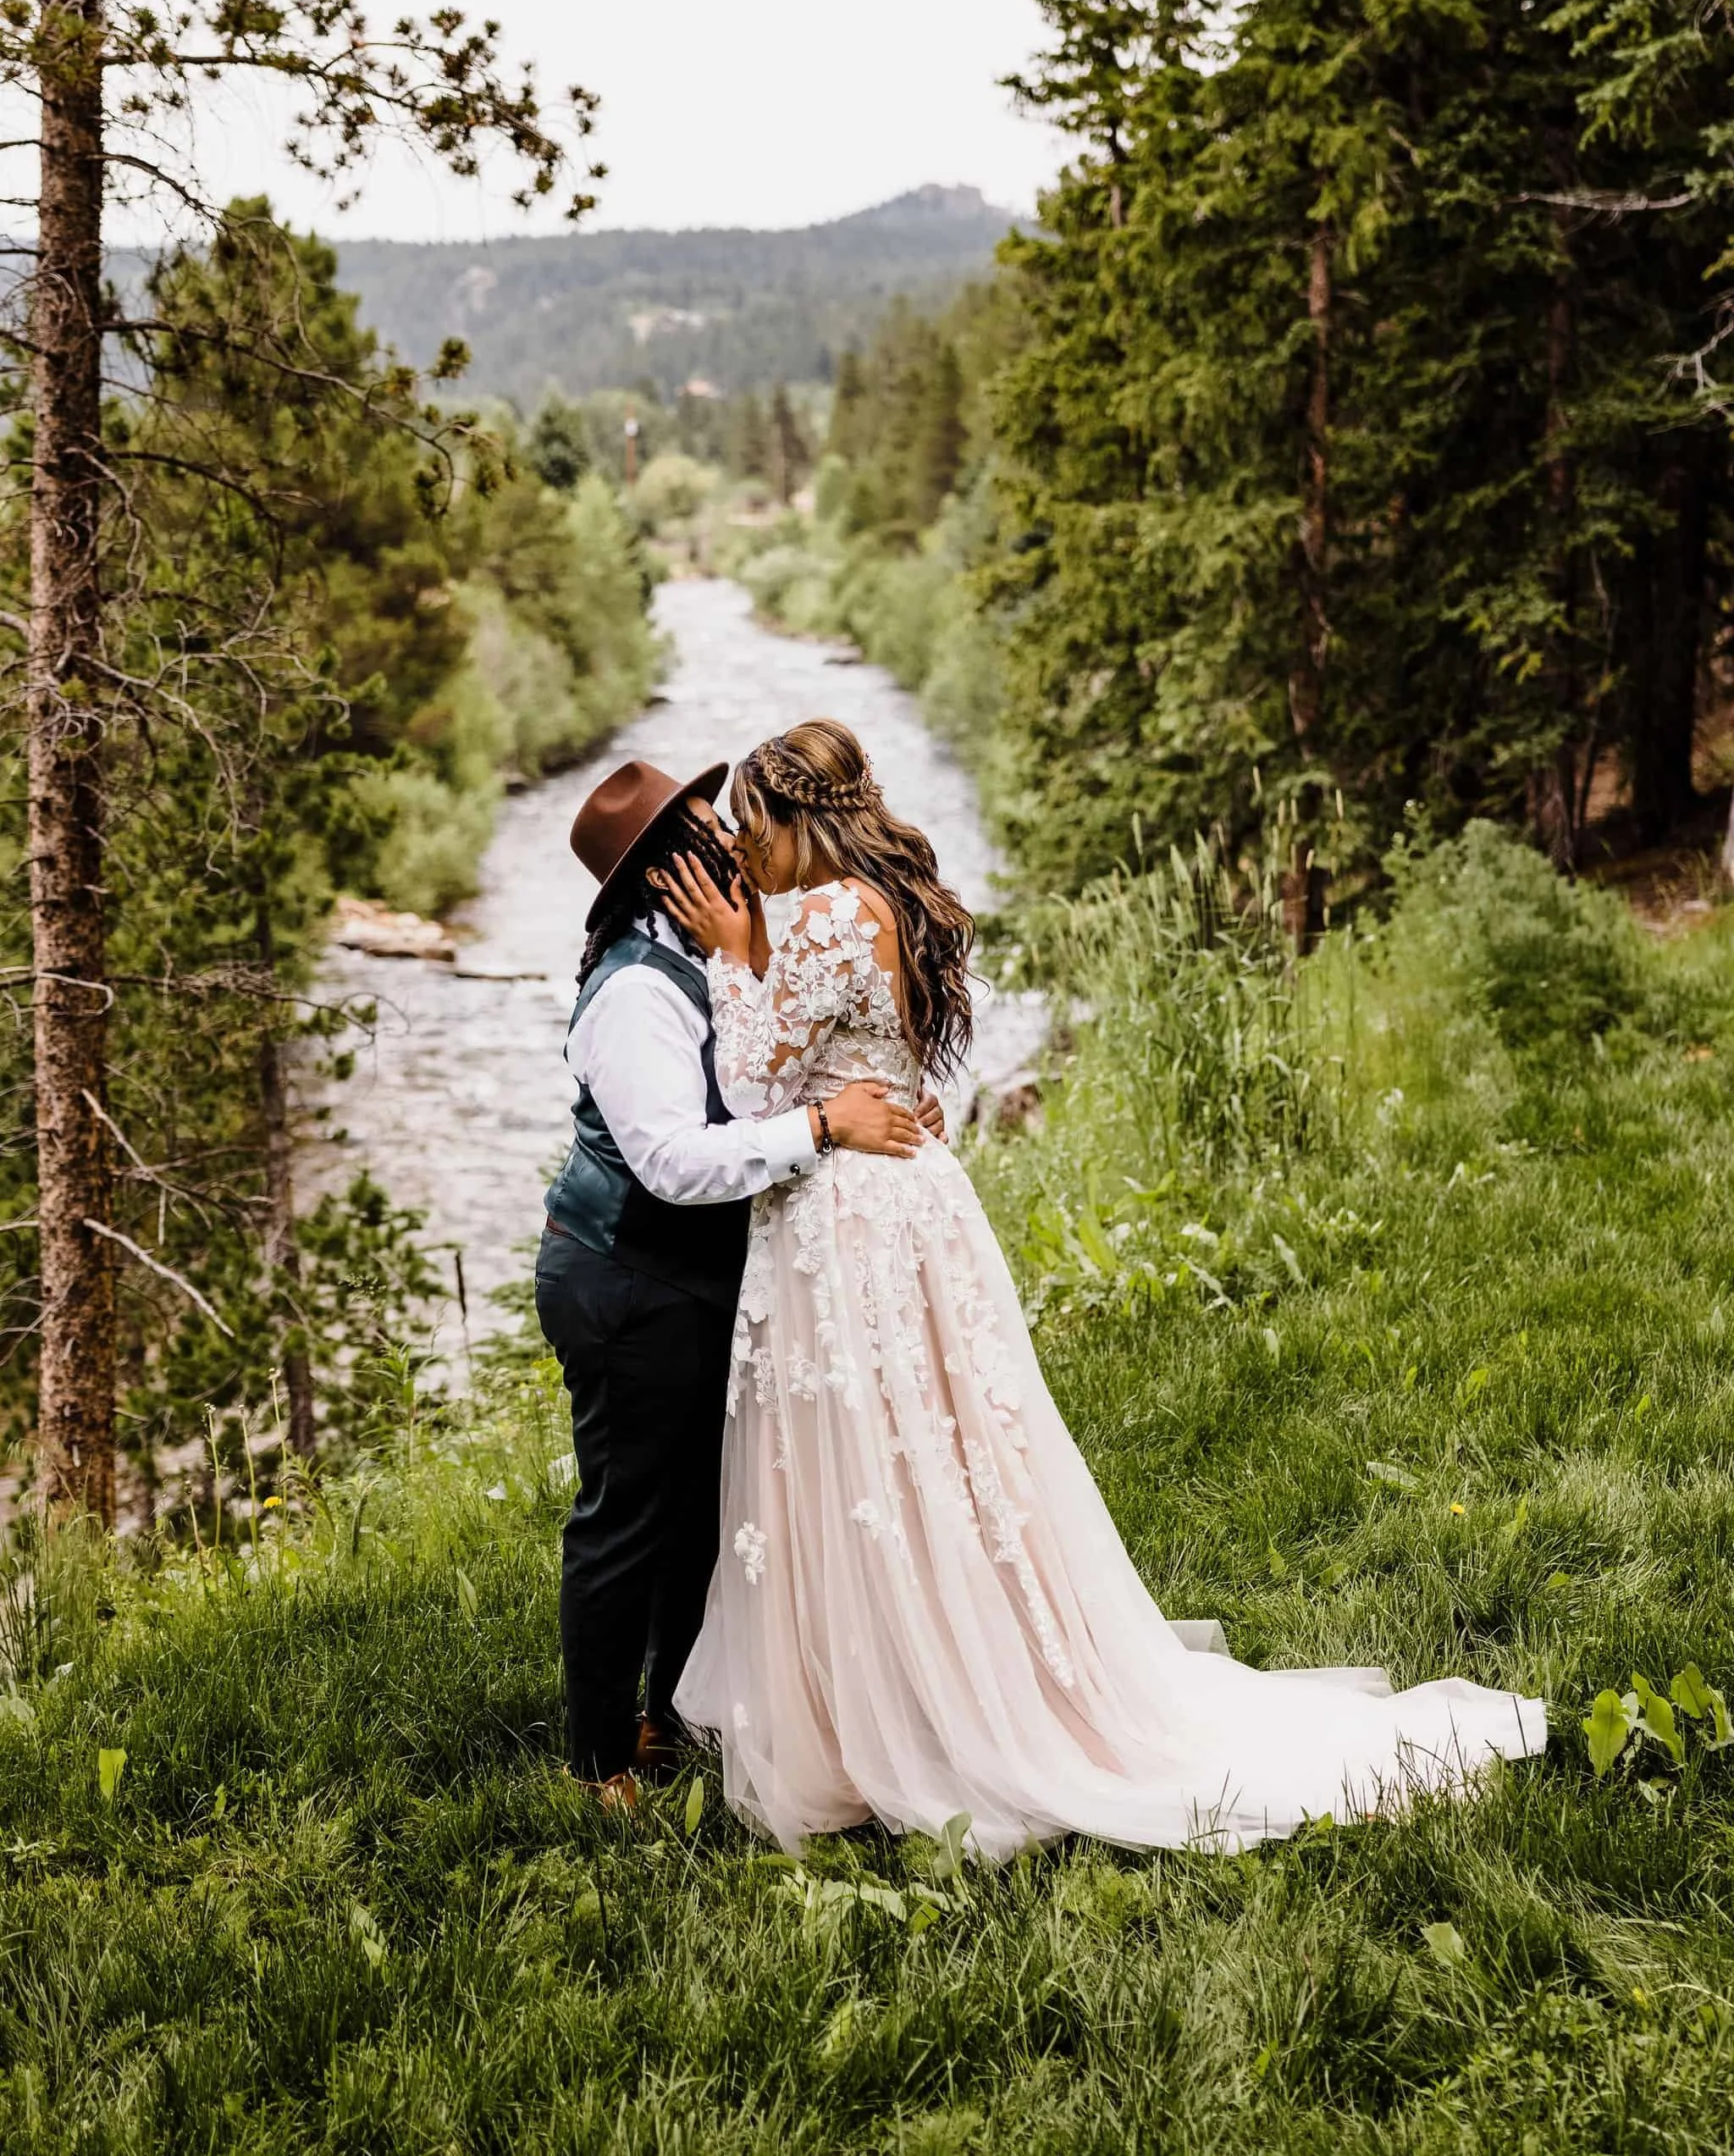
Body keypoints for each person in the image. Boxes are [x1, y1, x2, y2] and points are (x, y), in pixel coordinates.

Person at [656, 719, 1547, 1860]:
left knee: (874, 1453)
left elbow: (750, 1082)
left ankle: (908, 1715)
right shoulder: (894, 899)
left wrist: (734, 953)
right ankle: (917, 1690)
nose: (739, 852)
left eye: (747, 825)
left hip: (851, 1217)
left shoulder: (823, 913)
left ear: (792, 817)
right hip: (911, 1197)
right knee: (934, 1452)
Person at [536, 755, 937, 1807]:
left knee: (704, 1512)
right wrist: (820, 1125)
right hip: (625, 1275)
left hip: (703, 1273)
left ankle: (673, 1717)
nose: (733, 839)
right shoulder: (632, 991)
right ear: (670, 872)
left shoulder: (724, 951)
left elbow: (814, 1051)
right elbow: (672, 1160)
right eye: (710, 832)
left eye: (729, 825)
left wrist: (880, 1103)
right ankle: (598, 1762)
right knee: (628, 1515)